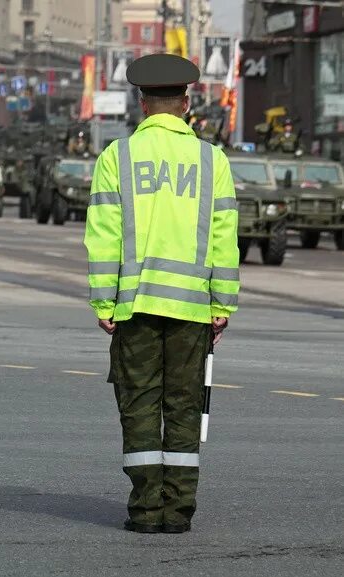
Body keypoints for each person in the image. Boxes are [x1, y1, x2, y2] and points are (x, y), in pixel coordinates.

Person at [84, 53, 240, 534]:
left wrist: (104, 301)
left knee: (140, 405)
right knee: (184, 406)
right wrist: (221, 305)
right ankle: (179, 511)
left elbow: (103, 235)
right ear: (187, 102)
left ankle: (146, 510)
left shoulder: (118, 157)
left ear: (141, 102)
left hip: (135, 308)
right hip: (193, 309)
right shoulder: (213, 161)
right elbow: (224, 239)